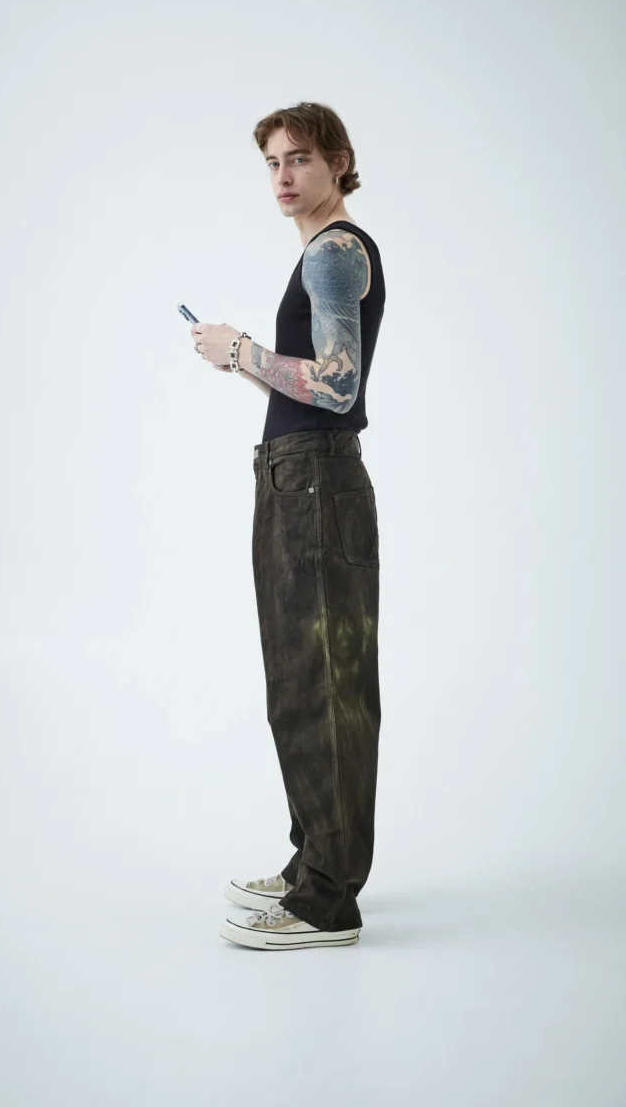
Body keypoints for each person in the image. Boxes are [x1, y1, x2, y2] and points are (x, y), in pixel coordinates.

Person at [190, 102, 385, 951]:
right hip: (296, 476)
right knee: (301, 683)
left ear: (338, 161)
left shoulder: (335, 251)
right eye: (272, 161)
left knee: (323, 689)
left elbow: (338, 387)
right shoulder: (320, 253)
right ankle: (316, 865)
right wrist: (243, 363)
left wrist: (241, 350)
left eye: (299, 157)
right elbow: (312, 383)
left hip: (314, 483)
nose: (282, 175)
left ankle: (326, 902)